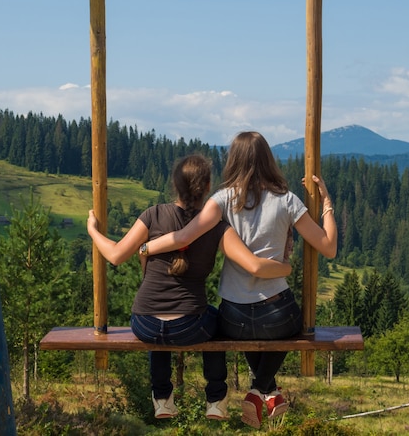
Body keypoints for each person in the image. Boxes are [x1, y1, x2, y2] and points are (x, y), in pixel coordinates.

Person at [143, 131, 337, 429]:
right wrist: (327, 205)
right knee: (291, 326)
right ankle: (261, 389)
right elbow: (328, 247)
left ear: (233, 160)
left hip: (234, 315)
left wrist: (145, 247)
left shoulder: (220, 200)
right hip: (277, 313)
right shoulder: (287, 201)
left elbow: (184, 236)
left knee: (249, 328)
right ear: (268, 160)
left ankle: (268, 392)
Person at [86, 154, 291, 421]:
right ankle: (215, 399)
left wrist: (93, 230)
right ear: (207, 187)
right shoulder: (217, 228)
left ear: (175, 185)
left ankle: (162, 399)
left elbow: (114, 255)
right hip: (190, 326)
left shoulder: (153, 215)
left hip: (144, 323)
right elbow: (252, 264)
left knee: (157, 331)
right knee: (219, 322)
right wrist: (284, 263)